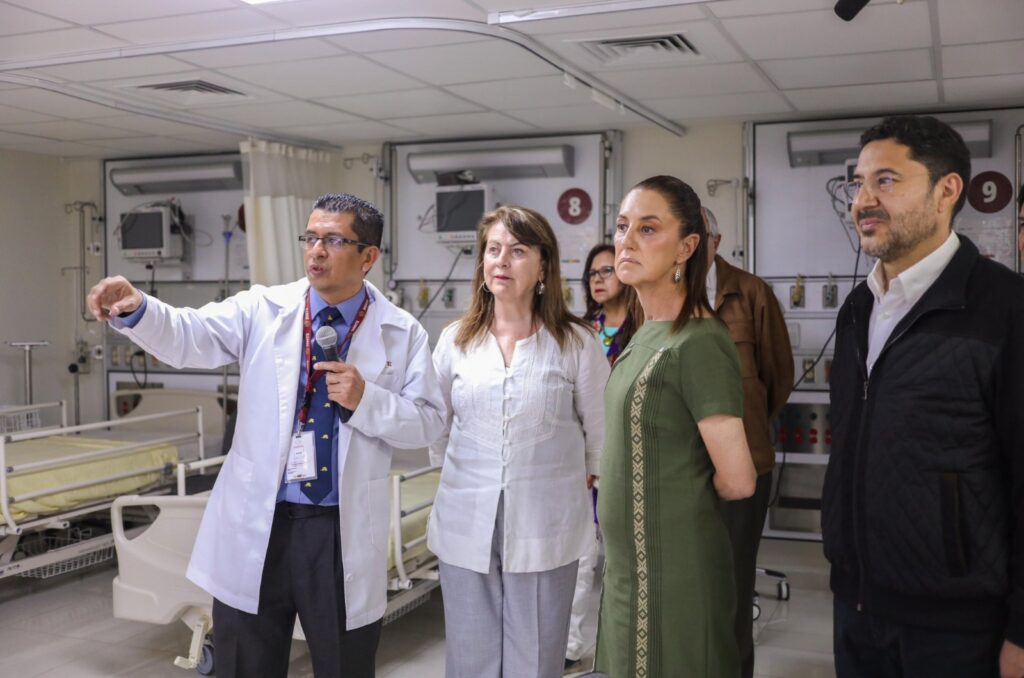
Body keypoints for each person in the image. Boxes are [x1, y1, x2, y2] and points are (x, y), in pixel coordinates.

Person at [87, 193, 446, 678]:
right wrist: (139, 310)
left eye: (333, 240)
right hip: (260, 521)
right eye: (310, 237)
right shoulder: (263, 308)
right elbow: (191, 335)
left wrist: (368, 400)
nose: (316, 251)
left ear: (368, 257)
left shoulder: (401, 332)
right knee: (245, 663)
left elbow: (428, 421)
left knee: (344, 664)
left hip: (336, 532)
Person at [822, 115, 1024, 678]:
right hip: (856, 605)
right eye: (858, 183)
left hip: (958, 623)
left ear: (946, 191)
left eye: (886, 181)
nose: (863, 200)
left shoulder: (1005, 309)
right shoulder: (858, 309)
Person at [428, 206, 609, 678]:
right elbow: (437, 427)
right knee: (470, 658)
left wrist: (585, 477)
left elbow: (602, 433)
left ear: (544, 265)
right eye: (493, 249)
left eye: (518, 250)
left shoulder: (576, 342)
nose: (502, 260)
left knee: (536, 658)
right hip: (466, 518)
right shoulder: (455, 341)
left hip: (545, 523)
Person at [595, 175, 757, 678]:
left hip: (674, 571)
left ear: (687, 247)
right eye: (622, 226)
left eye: (647, 229)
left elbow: (738, 480)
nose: (626, 241)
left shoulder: (700, 341)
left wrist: (671, 497)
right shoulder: (646, 332)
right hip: (629, 569)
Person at [704, 206, 794, 678]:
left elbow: (777, 378)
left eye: (699, 235)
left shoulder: (751, 293)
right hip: (680, 468)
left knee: (734, 587)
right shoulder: (660, 294)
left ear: (716, 241)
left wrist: (743, 430)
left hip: (744, 466)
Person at [563, 244, 641, 673]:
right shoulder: (579, 331)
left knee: (625, 557)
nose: (598, 279)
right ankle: (571, 644)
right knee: (581, 556)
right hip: (586, 459)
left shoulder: (643, 327)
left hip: (630, 456)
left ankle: (627, 644)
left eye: (607, 270)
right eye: (592, 273)